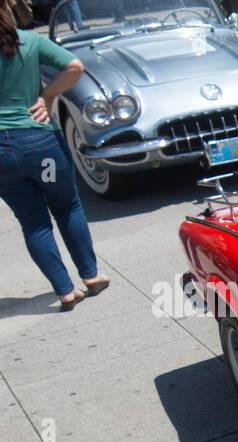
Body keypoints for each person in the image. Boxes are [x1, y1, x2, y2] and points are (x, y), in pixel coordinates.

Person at [0, 0, 109, 310]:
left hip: (3, 160)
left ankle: (64, 290)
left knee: (33, 222)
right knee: (66, 205)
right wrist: (47, 96)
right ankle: (90, 275)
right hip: (40, 150)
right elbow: (74, 67)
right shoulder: (30, 41)